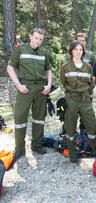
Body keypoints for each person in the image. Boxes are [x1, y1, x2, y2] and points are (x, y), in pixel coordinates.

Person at [7, 28, 52, 159]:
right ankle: (20, 148)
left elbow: (48, 69)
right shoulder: (20, 49)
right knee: (20, 118)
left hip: (41, 89)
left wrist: (49, 85)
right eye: (36, 38)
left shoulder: (44, 52)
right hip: (25, 88)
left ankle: (36, 145)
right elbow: (10, 68)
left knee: (39, 118)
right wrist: (18, 85)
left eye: (41, 39)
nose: (38, 41)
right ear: (30, 36)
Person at [60, 40, 96, 163]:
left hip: (85, 99)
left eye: (80, 49)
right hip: (71, 99)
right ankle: (73, 151)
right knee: (70, 126)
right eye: (75, 49)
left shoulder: (88, 67)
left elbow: (90, 84)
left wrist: (89, 96)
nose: (78, 52)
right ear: (71, 51)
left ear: (83, 51)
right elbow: (63, 83)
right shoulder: (66, 67)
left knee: (91, 125)